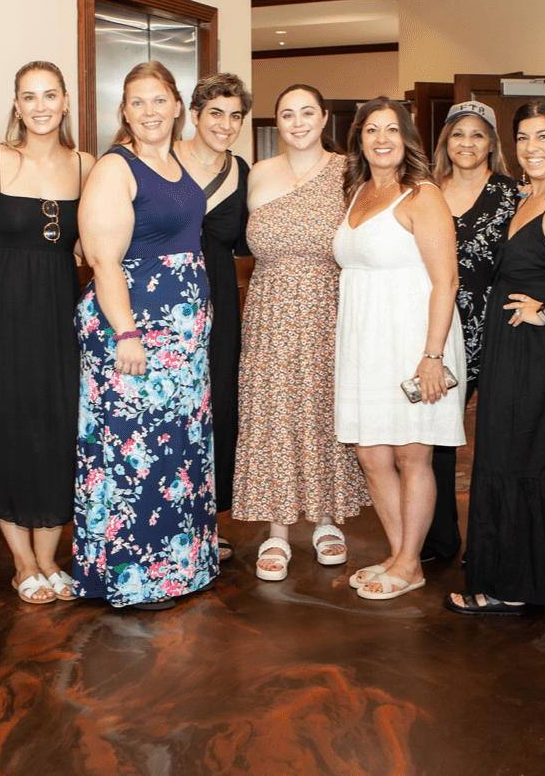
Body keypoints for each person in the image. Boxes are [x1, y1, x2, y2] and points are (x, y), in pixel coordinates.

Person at [446, 99, 545, 615]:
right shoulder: (531, 195)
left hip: (539, 346)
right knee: (523, 451)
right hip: (513, 344)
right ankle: (543, 573)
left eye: (544, 137)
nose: (532, 147)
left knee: (522, 453)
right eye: (523, 137)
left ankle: (512, 585)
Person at [73, 61, 217, 609]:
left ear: (178, 106)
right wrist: (126, 334)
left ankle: (181, 568)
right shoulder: (116, 167)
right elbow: (103, 260)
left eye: (159, 100)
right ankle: (135, 578)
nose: (149, 111)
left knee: (179, 449)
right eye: (137, 102)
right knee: (136, 453)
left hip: (182, 336)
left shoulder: (176, 161)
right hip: (135, 327)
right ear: (124, 112)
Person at [0, 62, 93, 605]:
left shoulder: (86, 165)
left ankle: (50, 558)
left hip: (60, 313)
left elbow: (94, 244)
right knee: (5, 427)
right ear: (16, 104)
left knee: (58, 427)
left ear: (65, 102)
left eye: (49, 95)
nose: (40, 106)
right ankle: (23, 563)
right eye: (29, 96)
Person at [233, 84, 369, 580]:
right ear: (276, 123)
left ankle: (327, 520)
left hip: (327, 309)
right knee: (272, 414)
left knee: (322, 410)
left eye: (307, 112)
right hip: (268, 312)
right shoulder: (256, 173)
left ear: (325, 117)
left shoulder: (349, 171)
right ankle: (277, 529)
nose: (297, 122)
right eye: (287, 114)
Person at [333, 97, 463, 601]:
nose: (381, 139)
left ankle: (411, 563)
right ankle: (397, 553)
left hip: (412, 340)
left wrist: (432, 356)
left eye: (391, 129)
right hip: (364, 342)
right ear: (359, 139)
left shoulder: (422, 195)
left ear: (407, 138)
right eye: (371, 130)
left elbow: (446, 281)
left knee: (412, 454)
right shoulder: (357, 191)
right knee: (370, 453)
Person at [423, 100, 522, 563]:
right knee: (438, 435)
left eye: (478, 134)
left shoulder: (513, 193)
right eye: (458, 133)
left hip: (498, 327)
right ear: (445, 140)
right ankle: (439, 537)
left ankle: (492, 541)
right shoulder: (424, 191)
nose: (467, 142)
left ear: (491, 143)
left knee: (498, 438)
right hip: (440, 328)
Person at [176, 73, 252, 563]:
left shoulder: (243, 171)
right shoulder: (162, 158)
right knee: (171, 409)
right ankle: (167, 517)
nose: (226, 124)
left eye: (235, 115)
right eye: (216, 113)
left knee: (217, 405)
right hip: (165, 297)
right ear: (195, 114)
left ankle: (207, 522)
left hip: (221, 298)